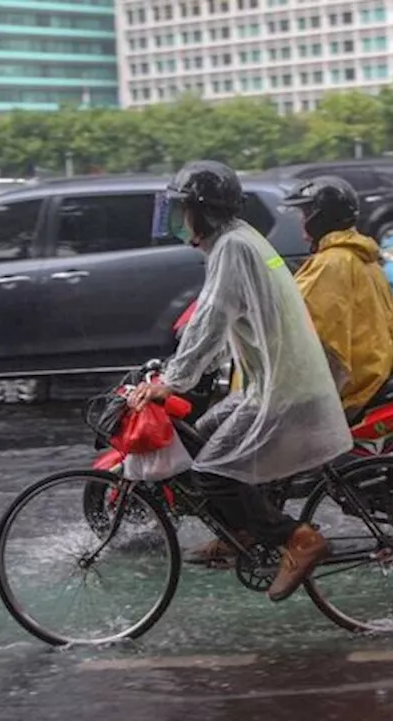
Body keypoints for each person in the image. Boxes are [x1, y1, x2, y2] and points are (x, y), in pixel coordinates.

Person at [129, 160, 353, 603]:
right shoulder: (241, 240)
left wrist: (171, 381)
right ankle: (243, 533)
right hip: (274, 382)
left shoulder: (233, 247)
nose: (178, 219)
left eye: (183, 210)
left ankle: (298, 539)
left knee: (213, 472)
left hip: (283, 391)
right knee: (202, 435)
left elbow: (212, 318)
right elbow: (230, 319)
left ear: (202, 211)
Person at [280, 176, 393, 420]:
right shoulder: (364, 258)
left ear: (318, 219)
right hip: (376, 376)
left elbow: (293, 318)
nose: (302, 230)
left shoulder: (330, 264)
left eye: (304, 217)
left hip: (353, 388)